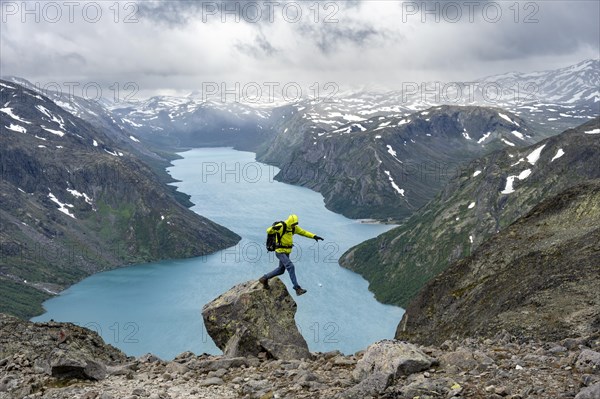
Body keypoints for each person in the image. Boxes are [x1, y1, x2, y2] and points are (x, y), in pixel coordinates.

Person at [259, 214, 323, 296]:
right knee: (290, 266)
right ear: (289, 222)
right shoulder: (281, 226)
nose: (294, 226)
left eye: (296, 224)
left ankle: (264, 278)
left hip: (287, 252)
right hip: (280, 251)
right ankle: (297, 288)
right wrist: (273, 228)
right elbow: (268, 231)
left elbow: (303, 232)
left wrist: (314, 236)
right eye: (293, 224)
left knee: (281, 270)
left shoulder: (294, 228)